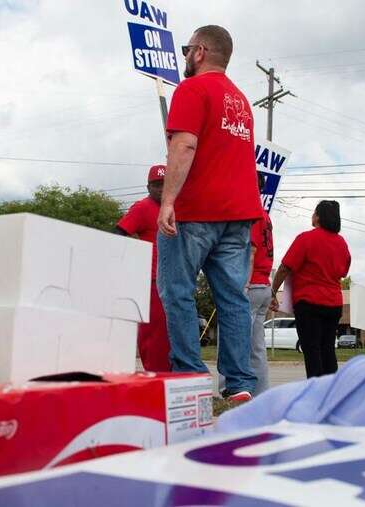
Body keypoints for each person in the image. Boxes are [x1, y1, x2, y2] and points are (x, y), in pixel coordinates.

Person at [157, 25, 261, 403]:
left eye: (187, 49)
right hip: (239, 215)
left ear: (199, 52)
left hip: (196, 210)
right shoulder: (241, 100)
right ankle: (239, 384)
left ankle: (191, 378)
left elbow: (184, 145)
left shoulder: (192, 89)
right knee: (232, 298)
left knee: (177, 291)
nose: (185, 56)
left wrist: (168, 201)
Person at [271, 201, 351, 378]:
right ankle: (332, 392)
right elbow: (344, 271)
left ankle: (316, 394)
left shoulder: (305, 239)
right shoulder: (342, 243)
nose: (312, 215)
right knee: (328, 349)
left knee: (312, 350)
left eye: (314, 212)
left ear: (318, 217)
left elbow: (285, 267)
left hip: (309, 303)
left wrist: (273, 291)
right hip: (334, 305)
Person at [115, 164, 171, 372]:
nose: (161, 189)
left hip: (176, 280)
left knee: (172, 333)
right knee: (154, 334)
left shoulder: (176, 206)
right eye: (156, 185)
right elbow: (119, 233)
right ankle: (156, 375)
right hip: (152, 280)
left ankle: (171, 376)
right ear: (148, 187)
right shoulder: (142, 207)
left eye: (165, 184)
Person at [246, 174, 274, 395]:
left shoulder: (250, 211)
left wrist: (242, 285)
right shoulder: (265, 215)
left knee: (236, 343)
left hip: (252, 285)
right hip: (263, 284)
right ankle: (260, 393)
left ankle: (234, 392)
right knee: (257, 347)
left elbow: (252, 251)